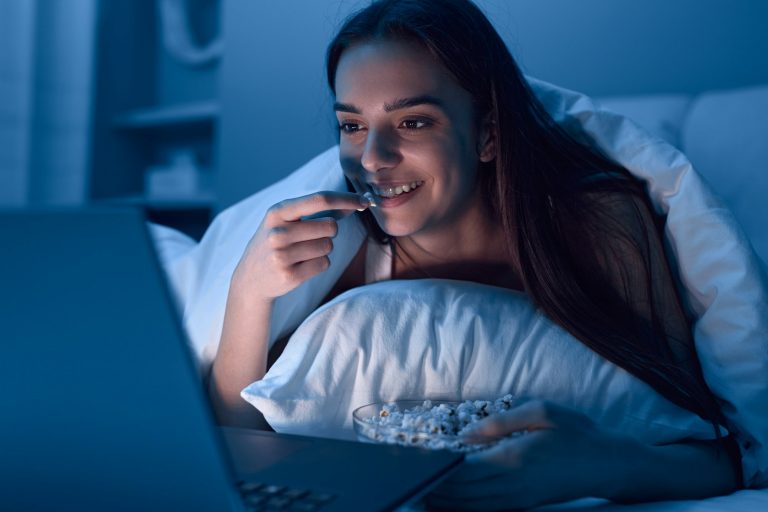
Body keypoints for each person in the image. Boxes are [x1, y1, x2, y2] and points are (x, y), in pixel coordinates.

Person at [207, 0, 741, 508]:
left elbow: (722, 454)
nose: (372, 158)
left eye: (413, 121)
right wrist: (246, 293)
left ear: (486, 134)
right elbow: (242, 446)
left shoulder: (599, 226)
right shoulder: (338, 261)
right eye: (352, 125)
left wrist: (601, 465)